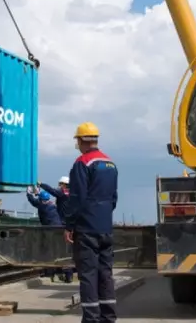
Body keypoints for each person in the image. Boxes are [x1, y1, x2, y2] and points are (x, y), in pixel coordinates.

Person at [64, 122, 119, 323]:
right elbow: (113, 198)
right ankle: (108, 317)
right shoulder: (110, 164)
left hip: (86, 229)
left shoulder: (82, 163)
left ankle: (91, 319)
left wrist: (69, 225)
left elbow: (77, 198)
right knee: (105, 274)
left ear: (80, 141)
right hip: (105, 228)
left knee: (88, 275)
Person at [26, 187, 74, 283]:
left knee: (49, 252)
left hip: (50, 232)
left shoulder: (42, 206)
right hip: (59, 230)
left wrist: (29, 193)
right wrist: (38, 193)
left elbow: (33, 201)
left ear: (41, 199)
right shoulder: (52, 205)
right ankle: (68, 275)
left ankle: (49, 273)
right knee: (61, 253)